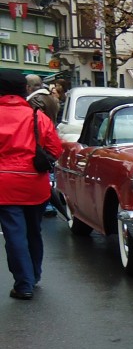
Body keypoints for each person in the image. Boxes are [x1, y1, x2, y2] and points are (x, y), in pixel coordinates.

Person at [0, 69, 62, 299]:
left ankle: (24, 283)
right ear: (24, 90)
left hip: (4, 184)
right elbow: (55, 149)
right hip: (35, 184)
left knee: (14, 233)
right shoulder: (37, 117)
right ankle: (34, 275)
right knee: (33, 231)